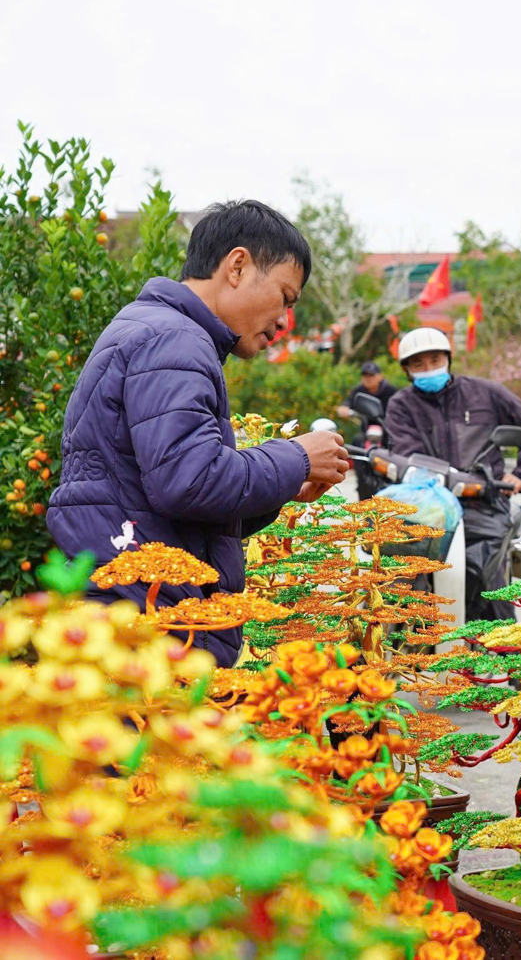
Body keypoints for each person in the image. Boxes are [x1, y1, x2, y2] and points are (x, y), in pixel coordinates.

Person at [48, 200, 350, 665]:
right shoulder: (176, 339)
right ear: (237, 265)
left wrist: (286, 486)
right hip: (151, 616)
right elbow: (189, 482)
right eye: (285, 297)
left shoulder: (158, 329)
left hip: (135, 601)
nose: (284, 320)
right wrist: (298, 457)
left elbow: (182, 504)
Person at [384, 326, 521, 622]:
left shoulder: (486, 392)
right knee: (398, 573)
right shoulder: (400, 406)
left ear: (448, 359)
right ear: (407, 370)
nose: (428, 369)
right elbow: (407, 456)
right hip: (427, 506)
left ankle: (505, 653)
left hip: (483, 502)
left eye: (434, 360)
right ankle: (406, 646)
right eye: (418, 364)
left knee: (485, 575)